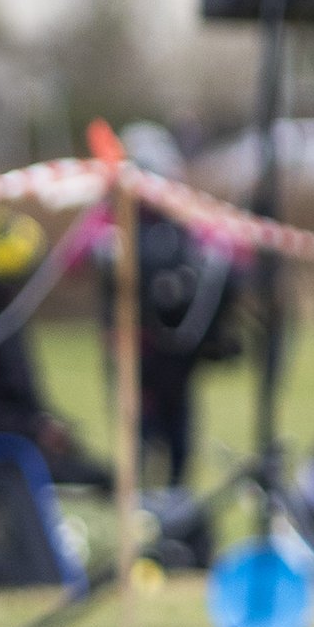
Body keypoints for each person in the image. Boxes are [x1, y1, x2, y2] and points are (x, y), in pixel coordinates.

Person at [0, 207, 111, 486]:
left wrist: (46, 423)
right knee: (99, 480)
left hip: (19, 444)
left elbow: (18, 392)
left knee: (100, 472)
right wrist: (31, 428)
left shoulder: (2, 317)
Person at [106, 124, 240, 487]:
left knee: (179, 427)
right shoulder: (115, 219)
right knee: (139, 431)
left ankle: (176, 495)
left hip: (175, 354)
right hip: (135, 346)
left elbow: (218, 253)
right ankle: (138, 497)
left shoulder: (178, 220)